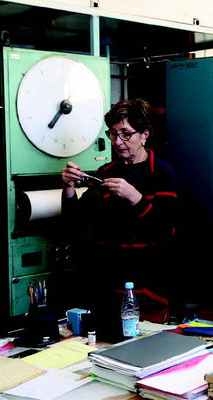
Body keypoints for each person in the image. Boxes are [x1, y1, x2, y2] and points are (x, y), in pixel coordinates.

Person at [61, 98, 177, 324]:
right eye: (113, 134)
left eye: (126, 134)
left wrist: (135, 197)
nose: (118, 142)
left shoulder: (162, 173)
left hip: (149, 288)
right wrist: (68, 188)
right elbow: (75, 223)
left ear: (144, 135)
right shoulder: (106, 172)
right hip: (106, 285)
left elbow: (165, 231)